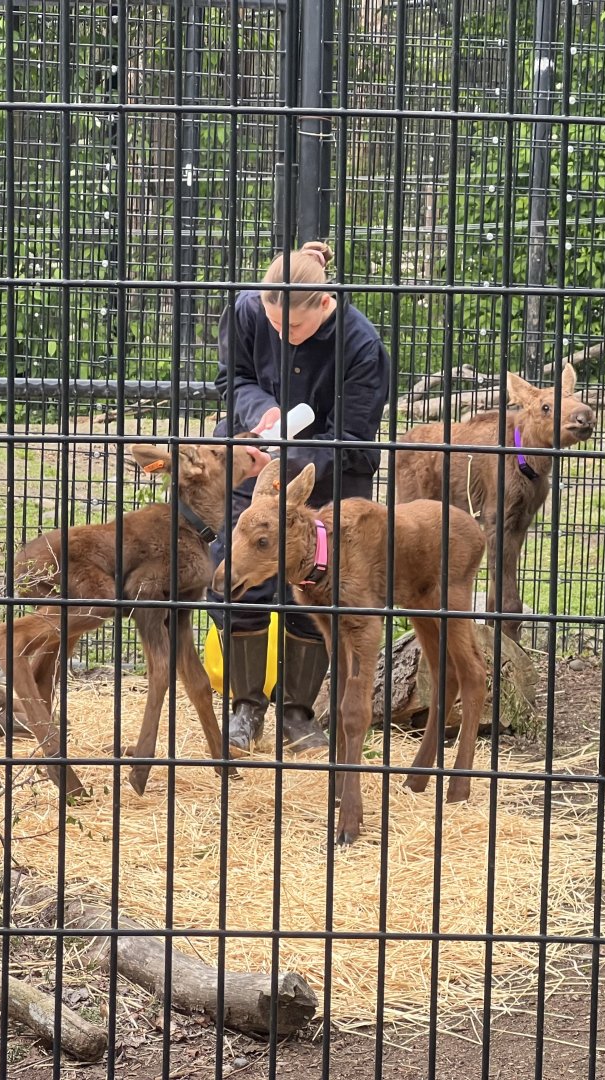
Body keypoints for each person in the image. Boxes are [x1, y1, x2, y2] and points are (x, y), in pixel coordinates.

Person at [208, 240, 392, 759]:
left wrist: (289, 470)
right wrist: (262, 411)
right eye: (273, 326)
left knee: (315, 591)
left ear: (325, 303)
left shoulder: (360, 344)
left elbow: (354, 439)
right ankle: (245, 707)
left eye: (293, 329)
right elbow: (232, 381)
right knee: (234, 580)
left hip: (329, 484)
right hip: (252, 461)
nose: (282, 336)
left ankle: (298, 712)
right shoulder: (248, 310)